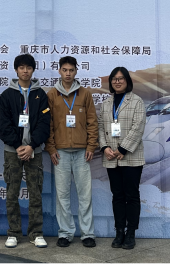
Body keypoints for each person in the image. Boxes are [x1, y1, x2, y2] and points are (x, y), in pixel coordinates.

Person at [0, 54, 51, 249]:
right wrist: (18, 145)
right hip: (13, 152)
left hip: (34, 151)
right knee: (12, 192)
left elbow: (45, 124)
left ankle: (36, 233)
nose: (25, 71)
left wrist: (31, 146)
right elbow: (3, 125)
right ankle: (13, 233)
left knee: (35, 192)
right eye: (21, 67)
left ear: (33, 70)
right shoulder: (7, 95)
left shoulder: (40, 95)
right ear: (16, 70)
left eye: (28, 67)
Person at [45, 56, 98, 248]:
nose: (68, 73)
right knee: (63, 196)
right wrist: (51, 148)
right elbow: (48, 124)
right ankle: (65, 233)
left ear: (76, 71)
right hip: (61, 153)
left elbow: (92, 122)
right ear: (59, 71)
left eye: (71, 70)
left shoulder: (85, 94)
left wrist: (91, 146)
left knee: (85, 195)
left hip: (82, 152)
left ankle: (87, 234)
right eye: (64, 70)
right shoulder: (52, 95)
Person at [98, 67, 145, 250]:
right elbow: (100, 127)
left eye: (121, 78)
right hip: (111, 157)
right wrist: (105, 147)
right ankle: (119, 231)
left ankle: (131, 233)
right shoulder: (106, 103)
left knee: (131, 195)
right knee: (117, 195)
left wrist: (123, 148)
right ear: (111, 82)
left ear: (127, 81)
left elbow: (138, 127)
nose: (117, 82)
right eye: (114, 79)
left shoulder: (137, 101)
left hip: (131, 156)